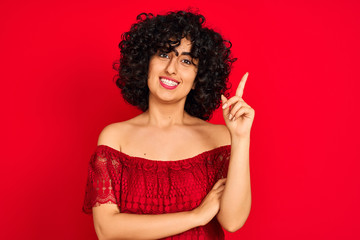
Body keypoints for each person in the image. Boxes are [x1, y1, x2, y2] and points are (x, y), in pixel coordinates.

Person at [82, 10, 254, 240]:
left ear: (197, 79)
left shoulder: (219, 138)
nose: (171, 68)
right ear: (146, 65)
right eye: (164, 54)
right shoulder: (115, 137)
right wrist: (196, 217)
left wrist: (241, 138)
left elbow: (232, 222)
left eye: (186, 60)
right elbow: (107, 230)